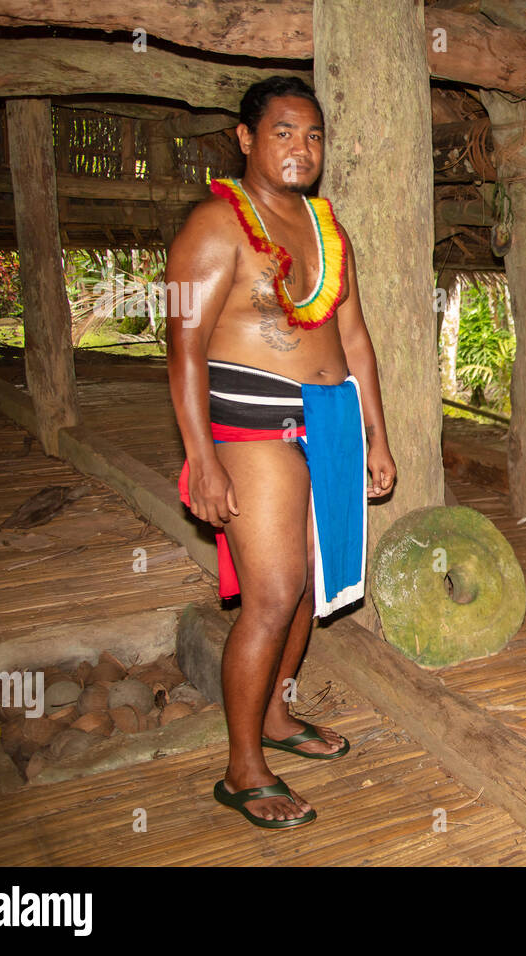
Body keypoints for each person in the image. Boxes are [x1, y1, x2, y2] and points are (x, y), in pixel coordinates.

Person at [165, 76, 396, 829]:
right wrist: (201, 456)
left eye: (314, 136)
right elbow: (184, 346)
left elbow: (354, 338)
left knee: (305, 587)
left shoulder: (328, 227)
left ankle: (276, 717)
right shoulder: (212, 224)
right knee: (269, 594)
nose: (302, 148)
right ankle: (242, 769)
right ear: (246, 138)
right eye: (285, 132)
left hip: (329, 419)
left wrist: (376, 434)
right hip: (254, 426)